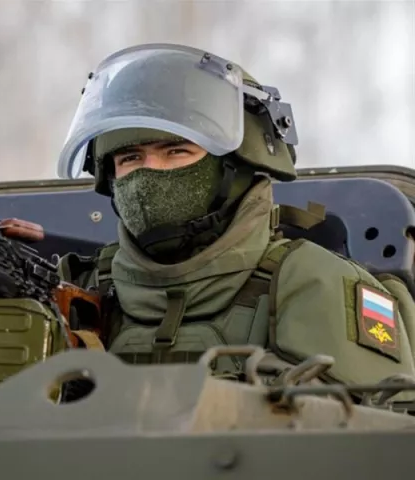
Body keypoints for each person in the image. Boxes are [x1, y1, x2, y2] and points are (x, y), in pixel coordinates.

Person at [51, 43, 415, 392]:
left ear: (236, 165)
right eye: (130, 158)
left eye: (176, 151)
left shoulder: (315, 283)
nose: (150, 175)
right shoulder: (80, 288)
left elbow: (366, 428)